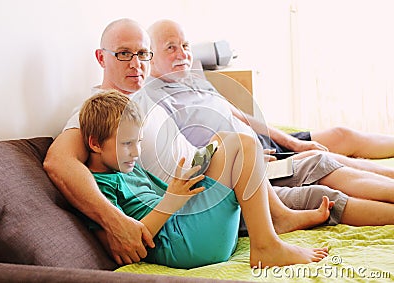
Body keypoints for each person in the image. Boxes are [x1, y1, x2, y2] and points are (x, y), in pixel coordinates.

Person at [43, 18, 332, 266]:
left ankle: (277, 217)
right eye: (123, 54)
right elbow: (58, 161)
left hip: (193, 199)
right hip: (184, 217)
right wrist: (115, 222)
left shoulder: (142, 100)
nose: (136, 64)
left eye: (143, 53)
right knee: (319, 171)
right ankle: (268, 242)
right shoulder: (99, 111)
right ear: (101, 57)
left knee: (254, 146)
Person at [145, 19, 394, 206]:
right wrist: (246, 159)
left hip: (262, 142)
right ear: (150, 56)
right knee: (329, 163)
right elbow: (188, 157)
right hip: (249, 161)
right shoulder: (154, 100)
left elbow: (236, 114)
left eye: (185, 45)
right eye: (171, 48)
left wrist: (293, 142)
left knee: (342, 135)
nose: (183, 54)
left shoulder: (191, 77)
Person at [78, 90, 330, 268]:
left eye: (139, 142)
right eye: (126, 144)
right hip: (185, 245)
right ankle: (266, 246)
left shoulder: (125, 167)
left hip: (189, 230)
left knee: (226, 142)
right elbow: (122, 249)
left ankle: (276, 222)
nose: (136, 152)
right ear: (95, 144)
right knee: (238, 144)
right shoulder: (98, 188)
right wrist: (171, 201)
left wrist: (202, 171)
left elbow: (166, 198)